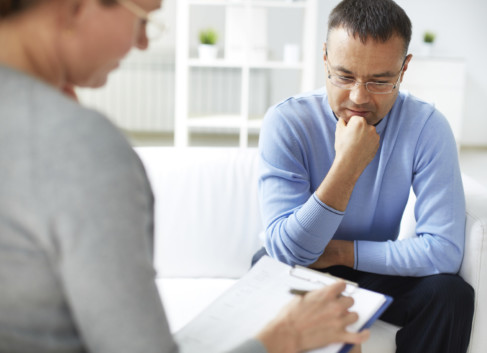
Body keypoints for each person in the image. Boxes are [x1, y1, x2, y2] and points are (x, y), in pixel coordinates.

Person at [0, 0, 370, 352]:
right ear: (76, 6)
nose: (143, 42)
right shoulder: (81, 146)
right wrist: (286, 335)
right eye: (144, 18)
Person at [253, 0, 475, 352]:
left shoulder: (427, 127)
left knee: (450, 294)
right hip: (300, 263)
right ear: (325, 58)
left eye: (379, 81)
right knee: (267, 268)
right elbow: (287, 251)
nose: (358, 98)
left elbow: (444, 251)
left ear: (404, 69)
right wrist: (348, 165)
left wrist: (342, 252)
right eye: (344, 76)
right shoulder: (288, 122)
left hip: (366, 264)